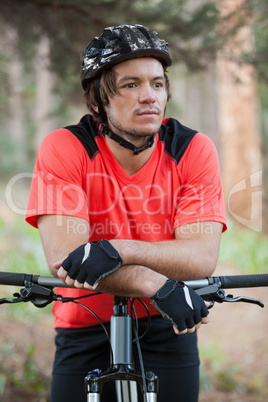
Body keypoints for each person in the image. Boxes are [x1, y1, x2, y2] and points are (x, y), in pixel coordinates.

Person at [26, 24, 227, 402]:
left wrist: (118, 248)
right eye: (131, 85)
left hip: (167, 323)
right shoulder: (66, 148)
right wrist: (157, 284)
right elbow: (69, 259)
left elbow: (201, 257)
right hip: (86, 323)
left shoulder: (192, 149)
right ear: (99, 100)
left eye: (156, 84)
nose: (148, 96)